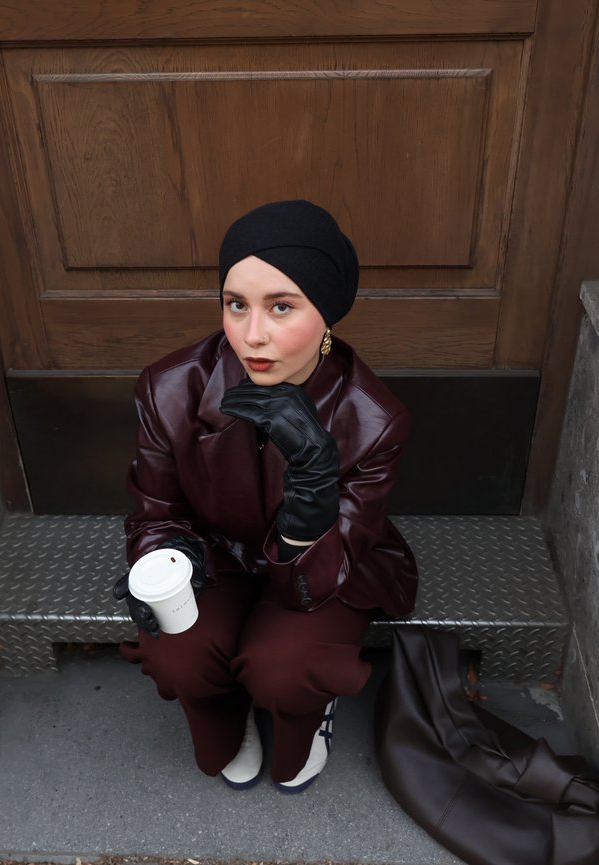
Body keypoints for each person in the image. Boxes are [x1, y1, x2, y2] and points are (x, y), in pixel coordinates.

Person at [113, 199, 418, 793]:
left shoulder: (375, 418)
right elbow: (156, 511)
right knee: (179, 651)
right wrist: (160, 564)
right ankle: (225, 715)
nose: (253, 335)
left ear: (326, 313)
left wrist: (311, 483)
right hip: (216, 554)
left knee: (286, 665)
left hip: (321, 568)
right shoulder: (169, 387)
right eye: (236, 305)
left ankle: (306, 709)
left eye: (282, 307)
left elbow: (337, 558)